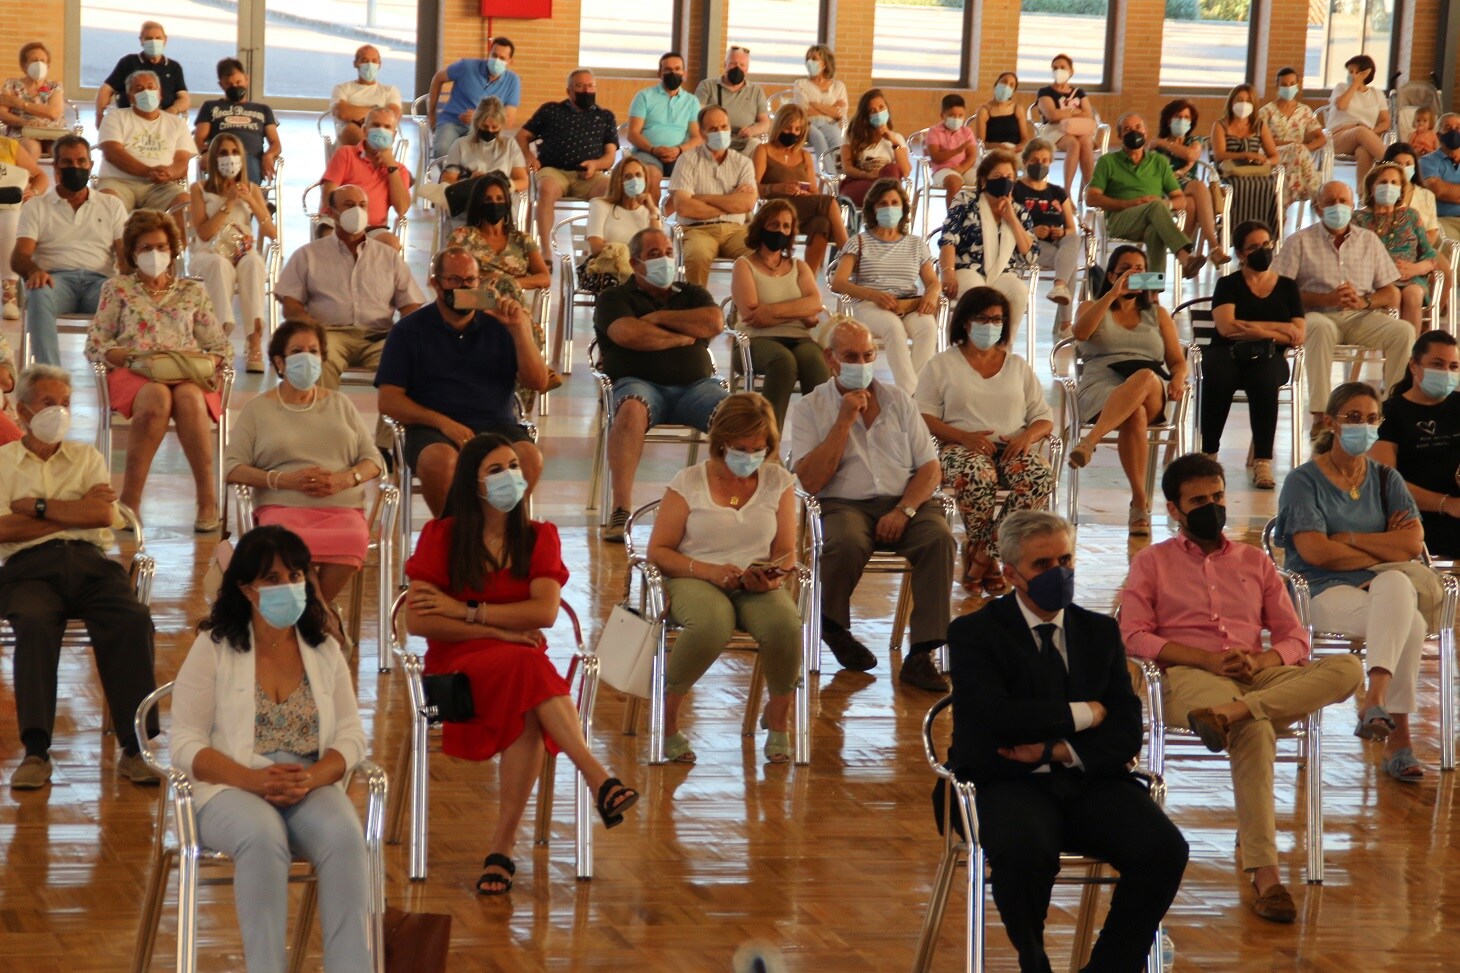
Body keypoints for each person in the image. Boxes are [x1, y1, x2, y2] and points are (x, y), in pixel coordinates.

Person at [1121, 454, 1360, 923]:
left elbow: (1295, 638)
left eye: (1217, 497)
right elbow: (1134, 635)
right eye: (1198, 501)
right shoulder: (1152, 562)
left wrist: (1263, 660)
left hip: (1255, 672)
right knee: (1255, 727)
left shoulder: (1255, 561)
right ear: (1174, 510)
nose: (1211, 507)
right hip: (1190, 676)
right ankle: (1267, 876)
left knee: (1348, 668)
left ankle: (1233, 713)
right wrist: (1206, 658)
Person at [945, 509, 1187, 971]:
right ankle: (1034, 962)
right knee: (1025, 851)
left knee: (1164, 849)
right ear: (1012, 573)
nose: (1060, 573)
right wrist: (1085, 713)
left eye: (1066, 559)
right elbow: (997, 719)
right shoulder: (975, 633)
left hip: (1087, 778)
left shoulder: (1097, 632)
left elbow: (1125, 731)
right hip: (1003, 782)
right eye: (1043, 565)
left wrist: (1055, 749)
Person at [405, 434, 638, 892]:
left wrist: (464, 610)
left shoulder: (538, 537)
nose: (511, 476)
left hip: (518, 670)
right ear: (473, 485)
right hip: (454, 677)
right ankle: (595, 776)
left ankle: (502, 849)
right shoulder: (442, 536)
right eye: (496, 470)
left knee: (527, 694)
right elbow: (417, 620)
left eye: (514, 466)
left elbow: (545, 614)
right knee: (528, 668)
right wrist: (496, 630)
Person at [173, 525, 371, 969]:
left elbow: (352, 735)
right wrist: (252, 780)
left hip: (306, 782)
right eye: (274, 579)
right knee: (263, 837)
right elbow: (184, 741)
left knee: (343, 834)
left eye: (297, 575)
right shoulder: (215, 646)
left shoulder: (323, 648)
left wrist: (313, 777)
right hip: (229, 786)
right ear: (246, 588)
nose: (289, 587)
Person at [0, 364, 159, 789]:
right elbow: (1, 529)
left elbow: (102, 514)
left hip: (92, 565)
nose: (60, 411)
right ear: (23, 411)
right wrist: (71, 512)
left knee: (132, 619)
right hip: (27, 571)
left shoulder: (88, 457)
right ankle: (36, 751)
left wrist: (34, 506)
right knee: (33, 622)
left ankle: (135, 747)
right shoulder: (2, 462)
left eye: (66, 403)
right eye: (49, 403)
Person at [788, 318, 955, 692]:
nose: (861, 363)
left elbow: (930, 468)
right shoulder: (810, 408)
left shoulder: (899, 400)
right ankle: (832, 625)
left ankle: (921, 653)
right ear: (831, 360)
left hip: (905, 501)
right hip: (844, 503)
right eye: (850, 356)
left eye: (867, 355)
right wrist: (843, 421)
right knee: (845, 540)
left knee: (940, 539)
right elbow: (811, 481)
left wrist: (905, 510)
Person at [1275, 382, 1430, 782]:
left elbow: (1412, 543)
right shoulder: (1303, 481)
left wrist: (1352, 540)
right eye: (1354, 418)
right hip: (1319, 589)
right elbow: (1315, 553)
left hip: (1377, 586)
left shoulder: (1385, 479)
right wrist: (1384, 547)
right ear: (1331, 422)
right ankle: (1399, 742)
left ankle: (1374, 699)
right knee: (1409, 622)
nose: (1364, 425)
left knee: (1397, 584)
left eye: (1372, 419)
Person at [646, 393, 803, 764]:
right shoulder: (688, 482)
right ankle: (667, 721)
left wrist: (772, 577)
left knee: (785, 624)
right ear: (720, 443)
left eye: (759, 449)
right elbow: (659, 550)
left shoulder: (777, 481)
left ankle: (779, 717)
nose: (750, 456)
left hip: (752, 582)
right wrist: (709, 571)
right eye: (741, 447)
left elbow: (786, 550)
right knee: (713, 623)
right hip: (692, 575)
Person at [224, 320, 385, 634]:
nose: (307, 358)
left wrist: (345, 479)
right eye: (297, 351)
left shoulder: (340, 404)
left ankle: (309, 617)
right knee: (288, 547)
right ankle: (322, 620)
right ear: (280, 362)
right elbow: (232, 468)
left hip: (341, 509)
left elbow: (373, 460)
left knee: (354, 537)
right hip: (282, 508)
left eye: (314, 351)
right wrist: (284, 481)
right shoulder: (258, 409)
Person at [84, 209, 230, 531]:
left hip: (187, 371)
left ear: (173, 250)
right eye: (146, 248)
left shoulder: (193, 291)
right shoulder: (117, 288)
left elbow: (221, 346)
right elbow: (96, 342)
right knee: (156, 400)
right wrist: (124, 356)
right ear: (133, 254)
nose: (155, 254)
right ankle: (130, 501)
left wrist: (208, 362)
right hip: (135, 372)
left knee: (190, 400)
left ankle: (207, 500)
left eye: (161, 247)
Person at [376, 246, 549, 516]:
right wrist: (444, 423)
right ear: (435, 283)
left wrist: (521, 330)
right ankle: (453, 536)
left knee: (529, 457)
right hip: (432, 429)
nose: (464, 287)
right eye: (454, 280)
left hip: (496, 424)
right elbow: (389, 400)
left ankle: (500, 533)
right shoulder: (409, 331)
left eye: (470, 280)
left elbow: (538, 382)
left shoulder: (502, 325)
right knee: (442, 461)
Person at [916, 288, 1054, 595]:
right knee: (979, 475)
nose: (990, 325)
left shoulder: (1017, 366)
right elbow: (922, 415)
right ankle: (989, 560)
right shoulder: (941, 365)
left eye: (997, 319)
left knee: (1037, 475)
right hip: (959, 448)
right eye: (983, 318)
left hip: (1011, 448)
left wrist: (1027, 436)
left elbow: (1043, 417)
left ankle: (981, 554)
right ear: (965, 322)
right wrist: (963, 436)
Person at [593, 228, 727, 542]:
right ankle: (621, 510)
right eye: (655, 254)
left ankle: (732, 505)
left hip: (696, 387)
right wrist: (682, 337)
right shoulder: (615, 297)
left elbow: (714, 322)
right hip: (638, 384)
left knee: (735, 415)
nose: (665, 259)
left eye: (668, 252)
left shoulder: (692, 293)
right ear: (636, 263)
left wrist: (659, 317)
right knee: (630, 411)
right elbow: (629, 334)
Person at [1066, 246, 1189, 536]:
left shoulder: (1157, 314)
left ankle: (1090, 442)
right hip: (1102, 383)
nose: (1134, 274)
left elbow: (1177, 361)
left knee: (1144, 377)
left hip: (1151, 384)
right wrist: (1112, 294)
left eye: (1139, 270)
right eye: (1126, 269)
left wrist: (1179, 378)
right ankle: (1139, 501)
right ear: (1111, 275)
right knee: (1135, 415)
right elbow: (1080, 333)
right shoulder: (1089, 306)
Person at [1270, 180, 1409, 429]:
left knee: (1404, 331)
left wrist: (1364, 301)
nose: (1337, 207)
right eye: (1330, 202)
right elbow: (1279, 292)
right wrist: (1325, 299)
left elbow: (1391, 293)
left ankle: (1393, 411)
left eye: (1343, 201)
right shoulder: (1299, 241)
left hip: (1360, 316)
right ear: (1319, 208)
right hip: (1316, 315)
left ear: (1352, 205)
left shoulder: (1369, 240)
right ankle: (1321, 416)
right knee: (1319, 328)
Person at [275, 184, 424, 389]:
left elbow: (411, 304)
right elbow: (290, 303)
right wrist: (312, 330)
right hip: (329, 335)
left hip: (378, 336)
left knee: (409, 366)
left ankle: (391, 421)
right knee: (316, 363)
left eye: (362, 205)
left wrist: (405, 334)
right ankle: (323, 419)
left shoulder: (387, 256)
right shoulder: (308, 255)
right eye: (349, 205)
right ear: (331, 212)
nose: (357, 211)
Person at [1205, 220, 1305, 489]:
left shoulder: (1287, 286)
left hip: (1270, 354)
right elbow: (1227, 327)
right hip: (1226, 351)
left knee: (1264, 378)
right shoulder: (1227, 284)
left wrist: (1256, 330)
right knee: (1219, 374)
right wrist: (1279, 328)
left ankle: (1263, 461)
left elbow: (1298, 334)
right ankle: (1209, 455)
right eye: (1253, 247)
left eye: (1266, 245)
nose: (1262, 251)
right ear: (1240, 254)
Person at [11, 135, 125, 366]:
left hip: (100, 284)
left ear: (90, 165)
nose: (75, 167)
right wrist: (34, 271)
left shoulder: (112, 205)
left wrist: (129, 282)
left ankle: (121, 381)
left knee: (124, 298)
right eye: (67, 162)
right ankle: (50, 377)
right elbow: (20, 257)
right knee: (37, 291)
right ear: (56, 168)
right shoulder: (36, 206)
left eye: (81, 162)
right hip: (55, 281)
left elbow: (125, 256)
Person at [831, 179, 939, 391]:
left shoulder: (916, 244)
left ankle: (914, 391)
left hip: (907, 305)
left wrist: (932, 293)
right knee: (893, 328)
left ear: (903, 208)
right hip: (869, 305)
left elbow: (933, 281)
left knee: (927, 328)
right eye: (883, 203)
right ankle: (910, 394)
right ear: (873, 209)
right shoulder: (859, 241)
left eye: (894, 203)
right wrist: (873, 295)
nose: (889, 208)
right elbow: (839, 282)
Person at [730, 200, 829, 429]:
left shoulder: (799, 266)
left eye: (786, 226)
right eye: (774, 224)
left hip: (799, 339)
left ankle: (821, 438)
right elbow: (752, 314)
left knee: (815, 360)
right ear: (761, 227)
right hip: (755, 340)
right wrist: (798, 309)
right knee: (783, 362)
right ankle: (767, 441)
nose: (780, 231)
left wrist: (772, 310)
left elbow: (815, 303)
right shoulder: (743, 265)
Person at [187, 133, 277, 373]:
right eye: (224, 153)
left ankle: (254, 340)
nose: (230, 158)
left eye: (235, 153)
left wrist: (253, 202)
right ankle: (219, 338)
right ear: (215, 159)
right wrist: (228, 202)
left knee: (254, 264)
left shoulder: (253, 189)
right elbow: (204, 233)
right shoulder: (199, 189)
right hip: (208, 253)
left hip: (241, 252)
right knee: (219, 265)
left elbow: (271, 231)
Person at [1372, 330, 1460, 559]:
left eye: (1453, 366)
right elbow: (1386, 483)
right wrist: (1447, 504)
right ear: (1414, 366)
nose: (1446, 373)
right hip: (1411, 515)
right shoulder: (1389, 414)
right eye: (1438, 364)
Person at [1087, 112, 1206, 280]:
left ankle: (1151, 292)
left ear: (1146, 131)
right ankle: (1185, 258)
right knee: (1155, 205)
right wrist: (1128, 204)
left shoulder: (1159, 161)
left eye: (1138, 127)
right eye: (1127, 129)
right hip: (1120, 219)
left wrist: (1168, 205)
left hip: (1154, 219)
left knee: (1155, 230)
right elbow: (1091, 198)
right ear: (1120, 135)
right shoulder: (1108, 161)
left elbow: (1180, 199)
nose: (1133, 132)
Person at [937, 149, 1036, 344]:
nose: (1004, 181)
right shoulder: (965, 200)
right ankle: (967, 346)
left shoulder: (1020, 211)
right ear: (984, 180)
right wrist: (948, 273)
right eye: (998, 176)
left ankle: (1002, 348)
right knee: (978, 294)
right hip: (967, 268)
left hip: (1003, 272)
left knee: (1018, 291)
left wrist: (1012, 219)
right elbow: (949, 238)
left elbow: (1030, 256)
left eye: (1009, 177)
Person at [517, 68, 619, 247]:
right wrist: (529, 157)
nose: (586, 91)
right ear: (569, 90)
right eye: (580, 86)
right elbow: (522, 136)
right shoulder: (551, 110)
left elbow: (610, 157)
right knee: (546, 190)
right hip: (554, 171)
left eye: (590, 86)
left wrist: (595, 165)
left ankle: (601, 249)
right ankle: (544, 251)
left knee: (612, 192)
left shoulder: (605, 116)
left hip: (590, 175)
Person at [751, 103, 847, 270]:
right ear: (779, 126)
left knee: (822, 222)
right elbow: (754, 187)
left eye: (797, 129)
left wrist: (805, 193)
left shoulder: (804, 155)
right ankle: (850, 256)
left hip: (802, 208)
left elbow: (814, 191)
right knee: (830, 202)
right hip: (776, 206)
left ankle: (808, 277)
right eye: (788, 128)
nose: (793, 133)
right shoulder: (764, 150)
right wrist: (776, 188)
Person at [669, 105, 756, 286]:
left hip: (736, 230)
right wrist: (731, 200)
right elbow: (684, 207)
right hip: (697, 230)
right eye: (713, 129)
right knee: (696, 257)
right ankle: (699, 309)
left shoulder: (743, 163)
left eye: (724, 127)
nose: (720, 132)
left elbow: (747, 203)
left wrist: (703, 198)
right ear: (702, 134)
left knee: (758, 257)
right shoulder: (687, 160)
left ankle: (742, 309)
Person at [95, 70, 194, 215]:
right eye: (139, 89)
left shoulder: (177, 124)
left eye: (150, 87)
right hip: (118, 182)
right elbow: (113, 153)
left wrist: (169, 173)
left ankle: (177, 239)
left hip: (161, 186)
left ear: (160, 94)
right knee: (109, 203)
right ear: (130, 97)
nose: (146, 92)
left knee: (184, 204)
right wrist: (149, 172)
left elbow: (182, 162)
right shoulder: (115, 117)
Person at [1354, 161, 1437, 333]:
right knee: (1393, 294)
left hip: (1410, 278)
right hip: (1373, 281)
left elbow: (1429, 255)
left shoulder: (1411, 216)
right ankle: (1394, 352)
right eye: (1383, 182)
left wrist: (1416, 268)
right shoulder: (1358, 219)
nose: (1389, 186)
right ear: (1372, 186)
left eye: (1394, 183)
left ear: (1401, 188)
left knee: (1412, 294)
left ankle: (1411, 355)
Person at [445, 171, 551, 303]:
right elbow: (448, 273)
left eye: (499, 199)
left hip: (511, 303)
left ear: (506, 204)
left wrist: (509, 283)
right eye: (487, 199)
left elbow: (544, 277)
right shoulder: (462, 236)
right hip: (473, 302)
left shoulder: (522, 239)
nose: (494, 203)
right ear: (478, 204)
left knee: (507, 305)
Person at [318, 105, 411, 249]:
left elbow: (402, 209)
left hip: (373, 229)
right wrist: (347, 221)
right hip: (338, 221)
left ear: (394, 135)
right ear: (365, 131)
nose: (381, 130)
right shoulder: (345, 154)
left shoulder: (400, 170)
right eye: (376, 125)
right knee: (331, 243)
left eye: (387, 127)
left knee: (391, 245)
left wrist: (391, 168)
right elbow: (328, 195)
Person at [1015, 139, 1079, 333]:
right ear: (1025, 162)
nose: (1040, 165)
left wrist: (1061, 232)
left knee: (1073, 240)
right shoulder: (1015, 189)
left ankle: (1059, 287)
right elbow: (1008, 224)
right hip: (1029, 245)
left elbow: (1071, 228)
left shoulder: (1057, 192)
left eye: (1045, 160)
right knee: (1071, 264)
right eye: (1034, 160)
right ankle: (1065, 324)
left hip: (1057, 243)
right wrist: (1032, 231)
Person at [1150, 99, 1225, 266]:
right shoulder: (1155, 147)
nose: (1182, 120)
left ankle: (1186, 260)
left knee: (1192, 199)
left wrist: (1163, 143)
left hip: (1188, 187)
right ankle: (1213, 246)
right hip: (1167, 189)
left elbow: (1191, 155)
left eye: (1186, 117)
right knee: (1196, 190)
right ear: (1169, 119)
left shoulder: (1193, 140)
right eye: (1178, 116)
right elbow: (1161, 174)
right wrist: (1182, 166)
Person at [192, 57, 281, 185]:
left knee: (247, 164)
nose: (235, 87)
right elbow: (198, 138)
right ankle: (243, 199)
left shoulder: (263, 110)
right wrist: (206, 152)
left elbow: (275, 143)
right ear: (221, 85)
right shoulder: (210, 107)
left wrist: (269, 155)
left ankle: (246, 198)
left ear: (246, 79)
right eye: (229, 84)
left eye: (238, 82)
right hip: (221, 157)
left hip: (251, 158)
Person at [626, 52, 702, 201]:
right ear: (659, 73)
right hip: (648, 152)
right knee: (652, 176)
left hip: (680, 154)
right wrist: (653, 149)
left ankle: (669, 214)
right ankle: (653, 219)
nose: (672, 73)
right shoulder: (644, 96)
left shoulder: (691, 101)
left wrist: (678, 150)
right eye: (667, 69)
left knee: (692, 180)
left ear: (684, 73)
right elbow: (633, 133)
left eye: (677, 69)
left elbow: (697, 136)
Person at [428, 36, 520, 156]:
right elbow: (438, 78)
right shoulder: (466, 66)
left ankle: (468, 174)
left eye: (502, 58)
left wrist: (479, 118)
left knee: (480, 155)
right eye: (494, 55)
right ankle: (450, 174)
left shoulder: (513, 81)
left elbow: (509, 119)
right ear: (489, 54)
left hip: (484, 128)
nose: (497, 60)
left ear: (509, 62)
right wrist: (431, 114)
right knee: (442, 149)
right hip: (452, 120)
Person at [583, 157, 662, 291]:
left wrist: (653, 211)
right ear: (618, 181)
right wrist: (627, 257)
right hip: (608, 270)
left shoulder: (651, 212)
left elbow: (658, 249)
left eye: (638, 175)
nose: (634, 181)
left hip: (640, 272)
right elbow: (596, 248)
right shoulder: (600, 205)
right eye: (628, 176)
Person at [1211, 83, 1281, 231]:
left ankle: (1262, 231)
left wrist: (1265, 161)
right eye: (1240, 100)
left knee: (1267, 184)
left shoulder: (1259, 125)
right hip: (1229, 172)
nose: (1244, 104)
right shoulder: (1220, 125)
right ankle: (1234, 231)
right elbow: (1219, 155)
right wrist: (1245, 154)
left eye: (1248, 101)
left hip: (1254, 170)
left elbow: (1275, 155)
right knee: (1239, 185)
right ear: (1232, 102)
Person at [95, 21, 188, 126]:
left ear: (165, 40)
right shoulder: (128, 62)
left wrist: (172, 111)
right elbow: (106, 90)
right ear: (141, 40)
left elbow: (184, 98)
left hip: (163, 122)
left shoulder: (174, 67)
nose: (153, 42)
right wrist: (99, 115)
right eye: (148, 38)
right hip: (129, 121)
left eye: (158, 38)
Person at [1257, 66, 1326, 205]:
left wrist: (1305, 147)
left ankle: (1286, 200)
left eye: (1291, 84)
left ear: (1297, 84)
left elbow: (1321, 138)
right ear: (1277, 85)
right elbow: (1263, 140)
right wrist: (1294, 146)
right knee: (1298, 151)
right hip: (1273, 154)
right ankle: (1319, 197)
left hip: (1298, 156)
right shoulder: (1266, 111)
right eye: (1284, 84)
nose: (1288, 87)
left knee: (1298, 152)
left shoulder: (1304, 110)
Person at [1034, 54, 1097, 195]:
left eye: (1062, 67)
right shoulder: (1045, 92)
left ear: (1071, 71)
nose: (1058, 70)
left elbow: (1089, 115)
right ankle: (1067, 191)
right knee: (1073, 144)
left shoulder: (1079, 92)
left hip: (1077, 129)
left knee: (1086, 142)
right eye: (1055, 68)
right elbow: (1051, 116)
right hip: (1054, 130)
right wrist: (1075, 111)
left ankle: (1091, 190)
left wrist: (1064, 112)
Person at [0, 132, 46, 319]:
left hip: (6, 206)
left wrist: (33, 191)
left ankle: (8, 295)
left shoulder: (8, 146)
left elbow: (40, 176)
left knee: (11, 221)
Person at [439, 96, 528, 193]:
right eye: (485, 126)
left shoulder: (510, 145)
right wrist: (470, 182)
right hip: (469, 198)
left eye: (494, 127)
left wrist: (501, 184)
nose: (489, 131)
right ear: (476, 123)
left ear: (501, 126)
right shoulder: (460, 145)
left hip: (499, 200)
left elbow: (523, 181)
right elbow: (447, 181)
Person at [839, 89, 910, 208]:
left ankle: (885, 208)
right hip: (859, 182)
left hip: (886, 183)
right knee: (886, 194)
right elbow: (847, 168)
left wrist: (893, 142)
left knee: (892, 169)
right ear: (865, 116)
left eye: (881, 108)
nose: (878, 113)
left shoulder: (896, 138)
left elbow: (906, 171)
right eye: (872, 111)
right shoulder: (851, 136)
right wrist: (866, 175)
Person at [1327, 54, 1390, 186]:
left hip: (1366, 136)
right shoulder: (1341, 88)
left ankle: (1363, 195)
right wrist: (1355, 83)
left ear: (1365, 74)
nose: (1351, 75)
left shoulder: (1377, 94)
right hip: (1339, 136)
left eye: (1355, 72)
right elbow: (1341, 105)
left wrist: (1373, 131)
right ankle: (1393, 165)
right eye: (1349, 72)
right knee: (1360, 131)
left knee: (1364, 151)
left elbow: (1386, 122)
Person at [695, 45, 769, 157]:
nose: (737, 68)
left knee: (757, 146)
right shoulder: (707, 86)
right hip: (715, 139)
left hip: (744, 142)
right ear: (725, 65)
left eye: (742, 65)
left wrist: (752, 130)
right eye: (733, 63)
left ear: (747, 69)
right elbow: (695, 116)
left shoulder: (756, 91)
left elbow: (765, 122)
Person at [1, 42, 65, 159]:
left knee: (64, 150)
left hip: (51, 133)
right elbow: (3, 114)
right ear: (24, 65)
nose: (39, 64)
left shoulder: (55, 86)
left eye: (43, 60)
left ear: (48, 65)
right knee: (32, 148)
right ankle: (30, 177)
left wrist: (20, 104)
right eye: (34, 60)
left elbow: (54, 113)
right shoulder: (12, 85)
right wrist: (23, 122)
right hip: (22, 131)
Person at [329, 45, 402, 148]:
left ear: (379, 64)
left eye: (374, 60)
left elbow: (393, 116)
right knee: (350, 129)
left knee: (377, 133)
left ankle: (371, 156)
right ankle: (373, 157)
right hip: (348, 144)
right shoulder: (342, 89)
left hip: (381, 138)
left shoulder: (390, 91)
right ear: (355, 63)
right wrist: (377, 110)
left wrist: (356, 116)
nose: (369, 64)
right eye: (364, 60)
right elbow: (342, 113)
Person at [792, 45, 847, 159]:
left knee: (836, 136)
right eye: (808, 58)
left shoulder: (838, 86)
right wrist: (831, 108)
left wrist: (815, 104)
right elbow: (802, 111)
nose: (810, 61)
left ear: (825, 63)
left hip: (830, 124)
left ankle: (833, 171)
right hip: (808, 124)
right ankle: (828, 174)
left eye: (814, 58)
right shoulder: (801, 84)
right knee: (818, 137)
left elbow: (840, 113)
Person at [1385, 142, 1443, 247]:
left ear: (1415, 166)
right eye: (1398, 164)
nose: (1403, 168)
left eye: (1408, 164)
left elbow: (1432, 232)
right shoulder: (1383, 193)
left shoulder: (1427, 195)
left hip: (1420, 250)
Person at [925, 94, 977, 197]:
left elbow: (972, 156)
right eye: (952, 115)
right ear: (942, 115)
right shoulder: (934, 131)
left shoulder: (967, 132)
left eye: (960, 115)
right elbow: (935, 157)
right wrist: (956, 151)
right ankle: (953, 212)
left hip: (964, 169)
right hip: (942, 170)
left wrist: (963, 167)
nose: (956, 119)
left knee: (982, 181)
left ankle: (975, 211)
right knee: (954, 182)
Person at [1418, 112, 1460, 241]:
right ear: (1438, 135)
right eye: (1448, 128)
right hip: (1443, 220)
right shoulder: (1426, 161)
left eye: (1458, 128)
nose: (1454, 132)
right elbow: (1439, 190)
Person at [975, 72, 1030, 154]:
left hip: (1015, 152)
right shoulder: (984, 110)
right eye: (1004, 82)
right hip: (993, 152)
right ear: (996, 84)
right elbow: (981, 143)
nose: (1006, 87)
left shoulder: (1018, 108)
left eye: (1011, 85)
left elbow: (1025, 138)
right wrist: (999, 146)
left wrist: (1018, 147)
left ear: (1013, 91)